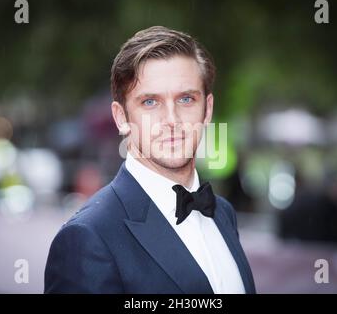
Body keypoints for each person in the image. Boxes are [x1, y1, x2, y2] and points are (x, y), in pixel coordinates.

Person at [44, 26, 256, 294]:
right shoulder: (88, 237)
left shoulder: (222, 213)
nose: (172, 120)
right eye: (150, 102)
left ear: (207, 109)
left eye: (186, 99)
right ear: (121, 118)